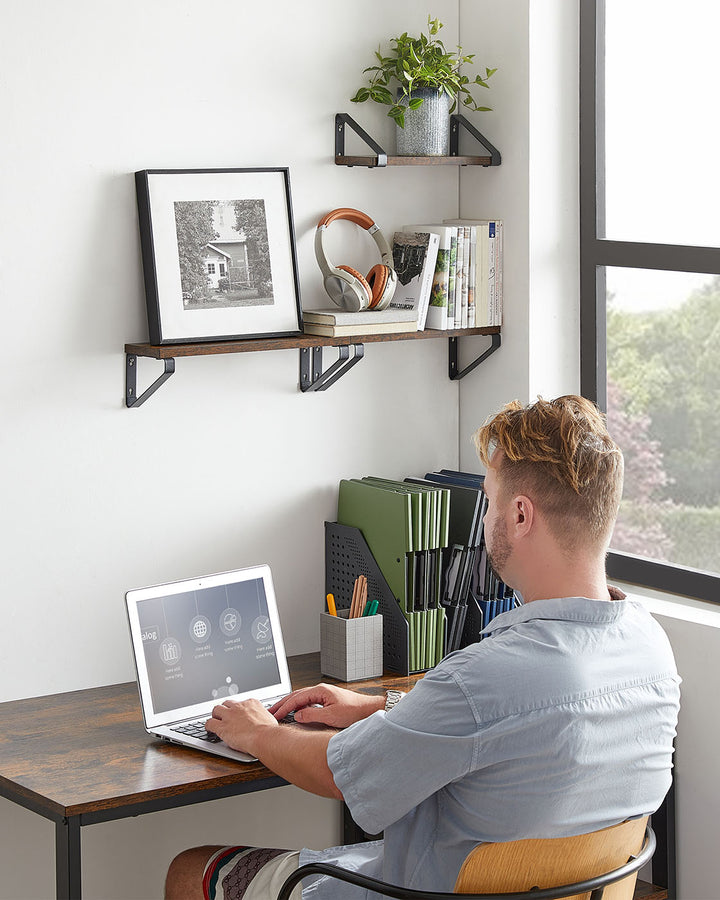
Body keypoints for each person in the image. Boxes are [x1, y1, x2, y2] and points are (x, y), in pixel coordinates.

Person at [166, 395, 680, 900]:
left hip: (425, 890)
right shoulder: (651, 650)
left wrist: (257, 732)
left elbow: (340, 773)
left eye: (489, 501)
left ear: (521, 515)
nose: (486, 520)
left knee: (191, 869)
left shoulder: (484, 678)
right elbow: (499, 728)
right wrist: (380, 708)